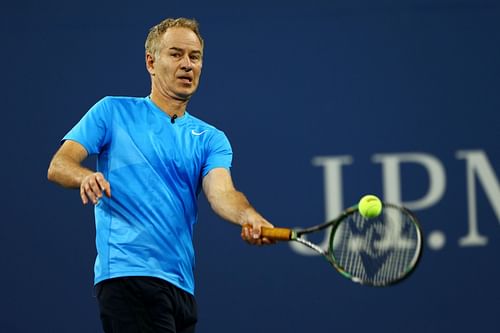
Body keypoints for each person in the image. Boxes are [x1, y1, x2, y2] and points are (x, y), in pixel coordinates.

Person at [47, 17, 273, 333]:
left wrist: (248, 216)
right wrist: (84, 177)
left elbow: (221, 193)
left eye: (194, 57)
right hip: (129, 276)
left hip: (180, 287)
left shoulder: (210, 138)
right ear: (151, 62)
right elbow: (59, 164)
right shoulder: (112, 112)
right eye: (176, 54)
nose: (187, 65)